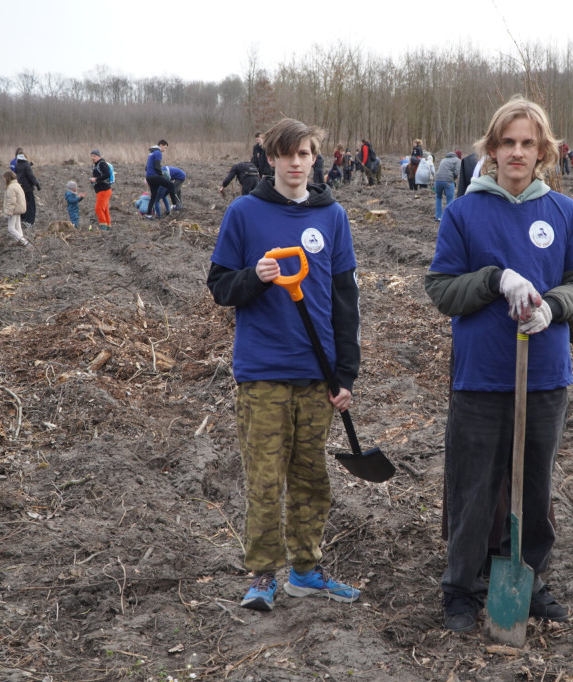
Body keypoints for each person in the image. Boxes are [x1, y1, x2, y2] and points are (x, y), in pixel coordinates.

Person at [425, 96, 573, 634]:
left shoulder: (563, 213)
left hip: (546, 375)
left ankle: (528, 574)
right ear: (492, 149)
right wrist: (495, 278)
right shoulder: (463, 213)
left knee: (533, 485)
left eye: (528, 143)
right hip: (481, 375)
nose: (517, 152)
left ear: (543, 151)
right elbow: (440, 289)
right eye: (508, 143)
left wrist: (553, 306)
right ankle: (462, 585)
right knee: (474, 486)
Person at [206, 117, 363, 612]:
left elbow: (345, 299)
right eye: (287, 154)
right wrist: (255, 275)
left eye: (305, 154)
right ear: (270, 158)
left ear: (315, 159)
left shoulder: (332, 216)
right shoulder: (245, 213)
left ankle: (305, 571)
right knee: (265, 478)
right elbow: (219, 287)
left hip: (316, 373)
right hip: (263, 372)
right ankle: (262, 575)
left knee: (312, 475)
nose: (296, 163)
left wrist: (346, 373)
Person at [145, 140, 182, 218]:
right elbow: (157, 166)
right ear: (161, 145)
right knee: (171, 185)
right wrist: (161, 175)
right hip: (155, 176)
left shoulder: (150, 153)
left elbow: (146, 168)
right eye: (165, 148)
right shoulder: (158, 153)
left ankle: (148, 215)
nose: (164, 150)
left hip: (149, 177)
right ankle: (175, 205)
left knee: (153, 197)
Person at [3, 171, 32, 245]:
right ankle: (21, 242)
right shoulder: (17, 185)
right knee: (18, 226)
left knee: (11, 228)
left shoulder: (11, 187)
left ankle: (24, 242)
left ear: (7, 178)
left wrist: (8, 213)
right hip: (18, 208)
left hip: (14, 210)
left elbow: (11, 201)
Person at [15, 151, 41, 228]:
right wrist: (37, 184)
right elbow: (31, 176)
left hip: (21, 187)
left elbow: (22, 173)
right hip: (27, 188)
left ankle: (24, 219)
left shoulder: (18, 164)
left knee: (24, 204)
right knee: (31, 205)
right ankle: (30, 222)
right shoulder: (26, 165)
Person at [434, 151, 461, 222]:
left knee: (438, 197)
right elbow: (456, 172)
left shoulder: (443, 159)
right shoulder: (458, 160)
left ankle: (438, 217)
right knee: (450, 199)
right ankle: (448, 218)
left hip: (437, 180)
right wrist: (453, 179)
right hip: (448, 181)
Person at [90, 149, 113, 230]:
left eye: (94, 156)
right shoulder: (96, 165)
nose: (93, 158)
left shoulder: (102, 163)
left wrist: (96, 179)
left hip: (104, 190)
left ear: (99, 156)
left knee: (99, 209)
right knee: (105, 210)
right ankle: (108, 228)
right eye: (92, 156)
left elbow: (107, 174)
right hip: (102, 190)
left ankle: (103, 228)